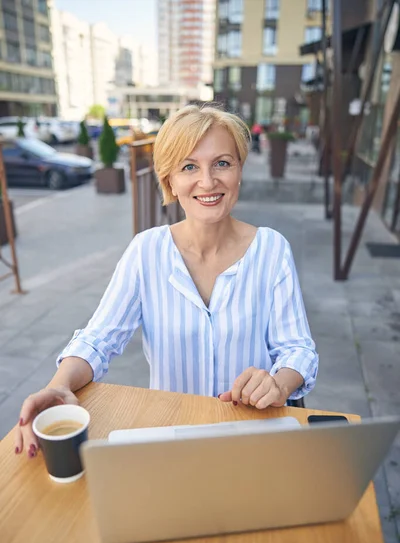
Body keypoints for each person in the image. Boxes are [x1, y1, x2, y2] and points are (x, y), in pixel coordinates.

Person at [15, 104, 318, 457]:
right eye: (189, 166)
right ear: (170, 181)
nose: (208, 181)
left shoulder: (272, 249)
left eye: (222, 162)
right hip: (173, 440)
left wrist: (279, 383)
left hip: (253, 438)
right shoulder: (146, 252)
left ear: (239, 170)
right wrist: (59, 386)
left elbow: (298, 348)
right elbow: (99, 340)